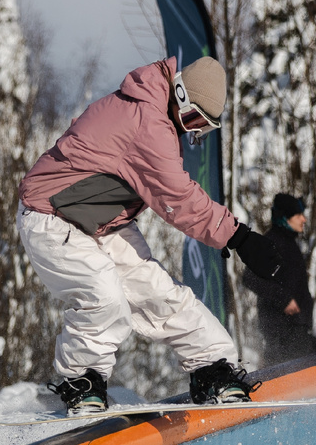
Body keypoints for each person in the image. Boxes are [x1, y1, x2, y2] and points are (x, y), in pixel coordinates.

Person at [17, 56, 282, 415]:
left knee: (161, 294)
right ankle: (81, 382)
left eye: (202, 128)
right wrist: (239, 237)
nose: (192, 132)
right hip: (51, 217)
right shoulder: (148, 121)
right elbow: (179, 199)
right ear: (179, 95)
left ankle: (213, 369)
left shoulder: (153, 111)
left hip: (101, 221)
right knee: (103, 293)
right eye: (192, 120)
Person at [242, 193, 316, 367]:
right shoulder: (273, 242)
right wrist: (283, 299)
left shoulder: (289, 243)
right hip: (283, 334)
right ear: (285, 218)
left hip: (296, 331)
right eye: (298, 215)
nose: (304, 219)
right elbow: (249, 277)